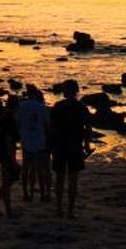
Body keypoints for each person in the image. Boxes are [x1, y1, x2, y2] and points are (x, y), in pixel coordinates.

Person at [47, 79, 87, 219]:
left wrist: (50, 144)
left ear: (65, 91)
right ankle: (70, 210)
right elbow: (87, 127)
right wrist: (86, 144)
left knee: (59, 178)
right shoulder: (81, 107)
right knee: (73, 179)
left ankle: (59, 209)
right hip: (75, 146)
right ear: (76, 91)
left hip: (60, 145)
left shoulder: (58, 106)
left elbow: (51, 127)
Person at [15, 84, 51, 204]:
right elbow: (47, 125)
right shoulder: (42, 107)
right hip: (39, 140)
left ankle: (26, 192)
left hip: (26, 140)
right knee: (40, 169)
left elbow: (17, 122)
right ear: (36, 94)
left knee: (26, 168)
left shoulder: (21, 106)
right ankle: (42, 194)